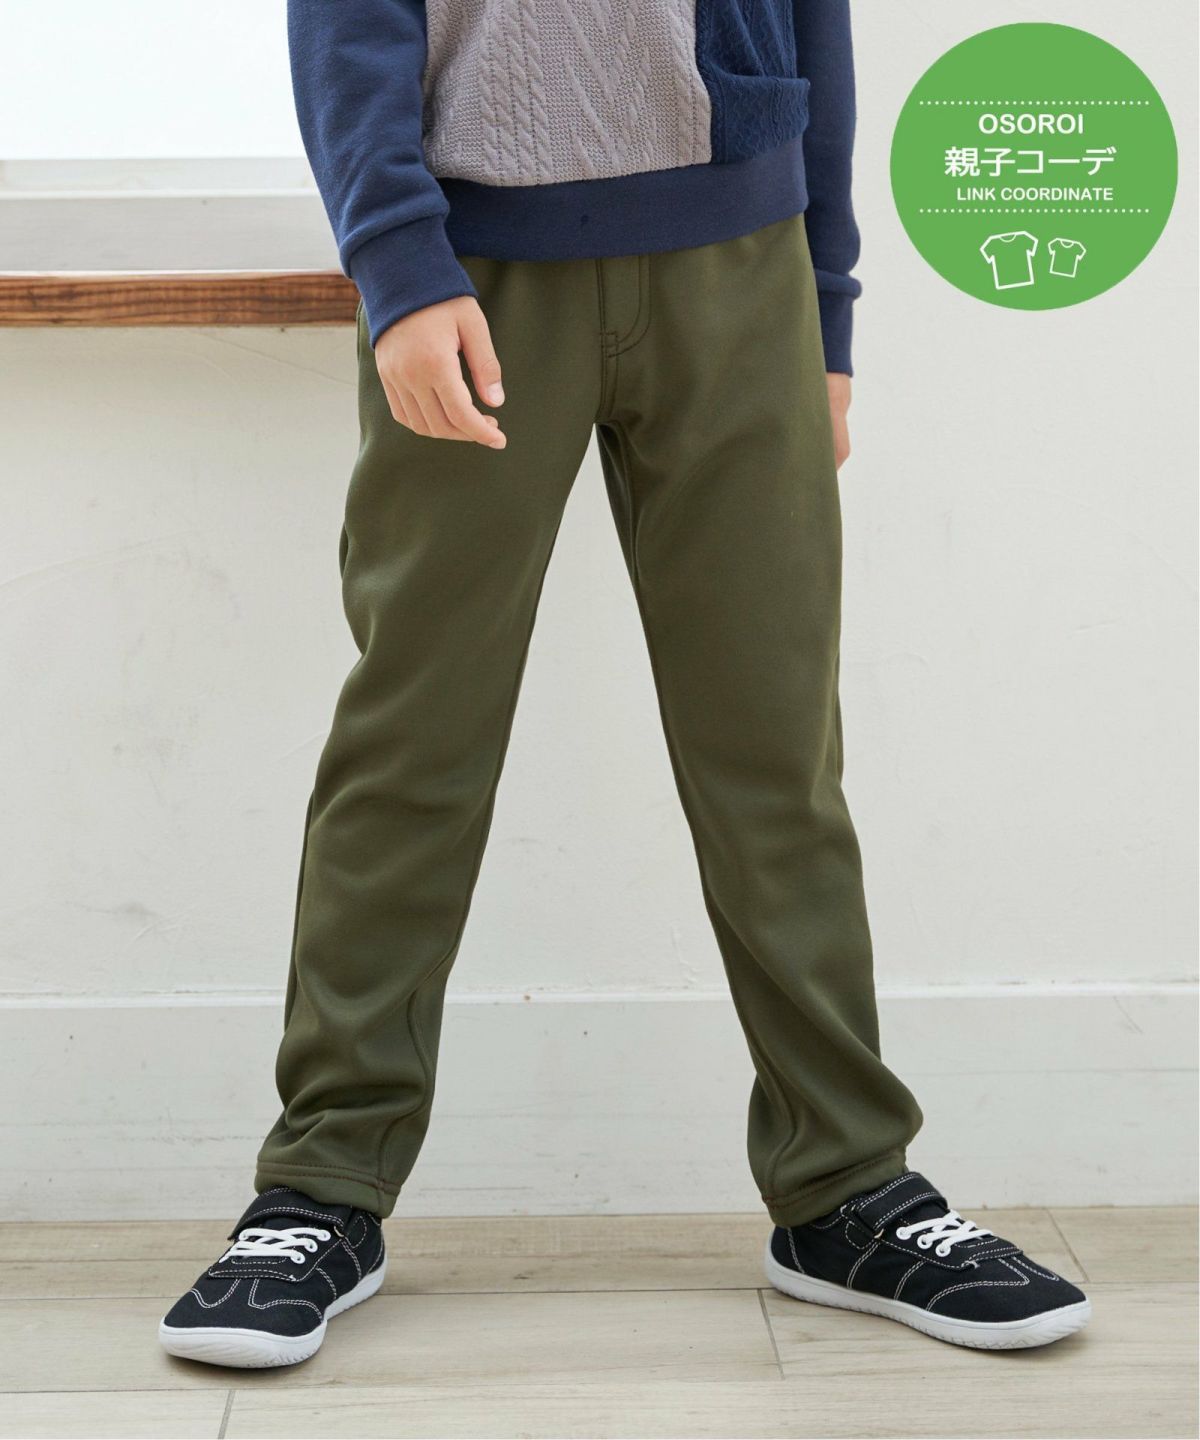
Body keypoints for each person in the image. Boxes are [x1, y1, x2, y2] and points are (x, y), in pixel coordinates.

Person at [159, 0, 1090, 1367]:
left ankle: (848, 1188)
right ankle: (321, 1189)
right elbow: (347, 22)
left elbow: (813, 24)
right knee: (413, 742)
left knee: (774, 752)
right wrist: (397, 263)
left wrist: (825, 303)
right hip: (475, 272)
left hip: (740, 267)